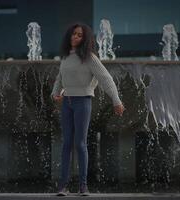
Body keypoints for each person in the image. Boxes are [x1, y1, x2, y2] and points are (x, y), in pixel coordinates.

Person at [51, 23, 125, 196]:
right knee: (66, 144)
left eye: (79, 35)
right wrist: (55, 93)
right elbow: (59, 78)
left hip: (82, 102)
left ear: (85, 39)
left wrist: (116, 101)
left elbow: (106, 79)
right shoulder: (65, 58)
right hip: (67, 103)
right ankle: (63, 185)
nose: (75, 37)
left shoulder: (89, 58)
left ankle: (83, 185)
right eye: (73, 34)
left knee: (80, 143)